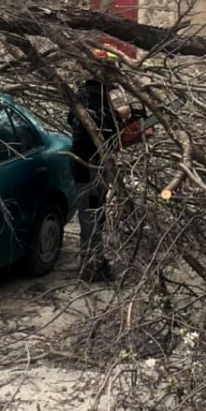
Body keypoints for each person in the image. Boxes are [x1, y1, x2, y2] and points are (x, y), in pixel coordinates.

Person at [68, 78, 150, 281]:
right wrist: (119, 118)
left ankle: (94, 261)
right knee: (91, 217)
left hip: (94, 167)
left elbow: (107, 128)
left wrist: (124, 114)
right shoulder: (89, 109)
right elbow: (103, 130)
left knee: (96, 216)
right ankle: (91, 267)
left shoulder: (90, 107)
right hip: (89, 169)